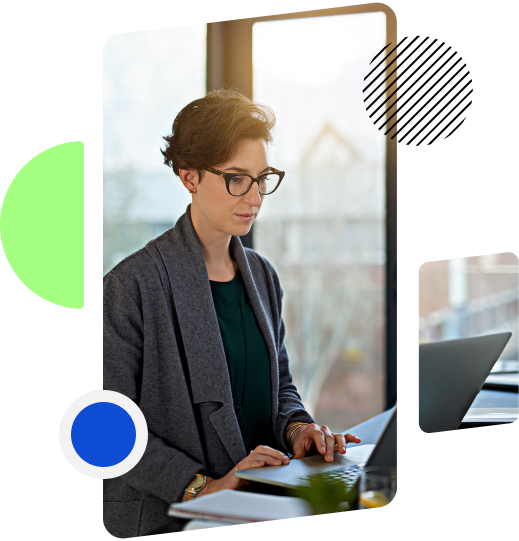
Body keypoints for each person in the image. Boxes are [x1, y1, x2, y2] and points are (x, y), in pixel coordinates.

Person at [103, 85, 359, 538]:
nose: (255, 196)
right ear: (189, 176)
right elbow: (106, 431)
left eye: (262, 178)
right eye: (236, 178)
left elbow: (279, 387)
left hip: (258, 502)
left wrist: (299, 429)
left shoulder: (262, 275)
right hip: (165, 519)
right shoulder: (131, 286)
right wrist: (201, 487)